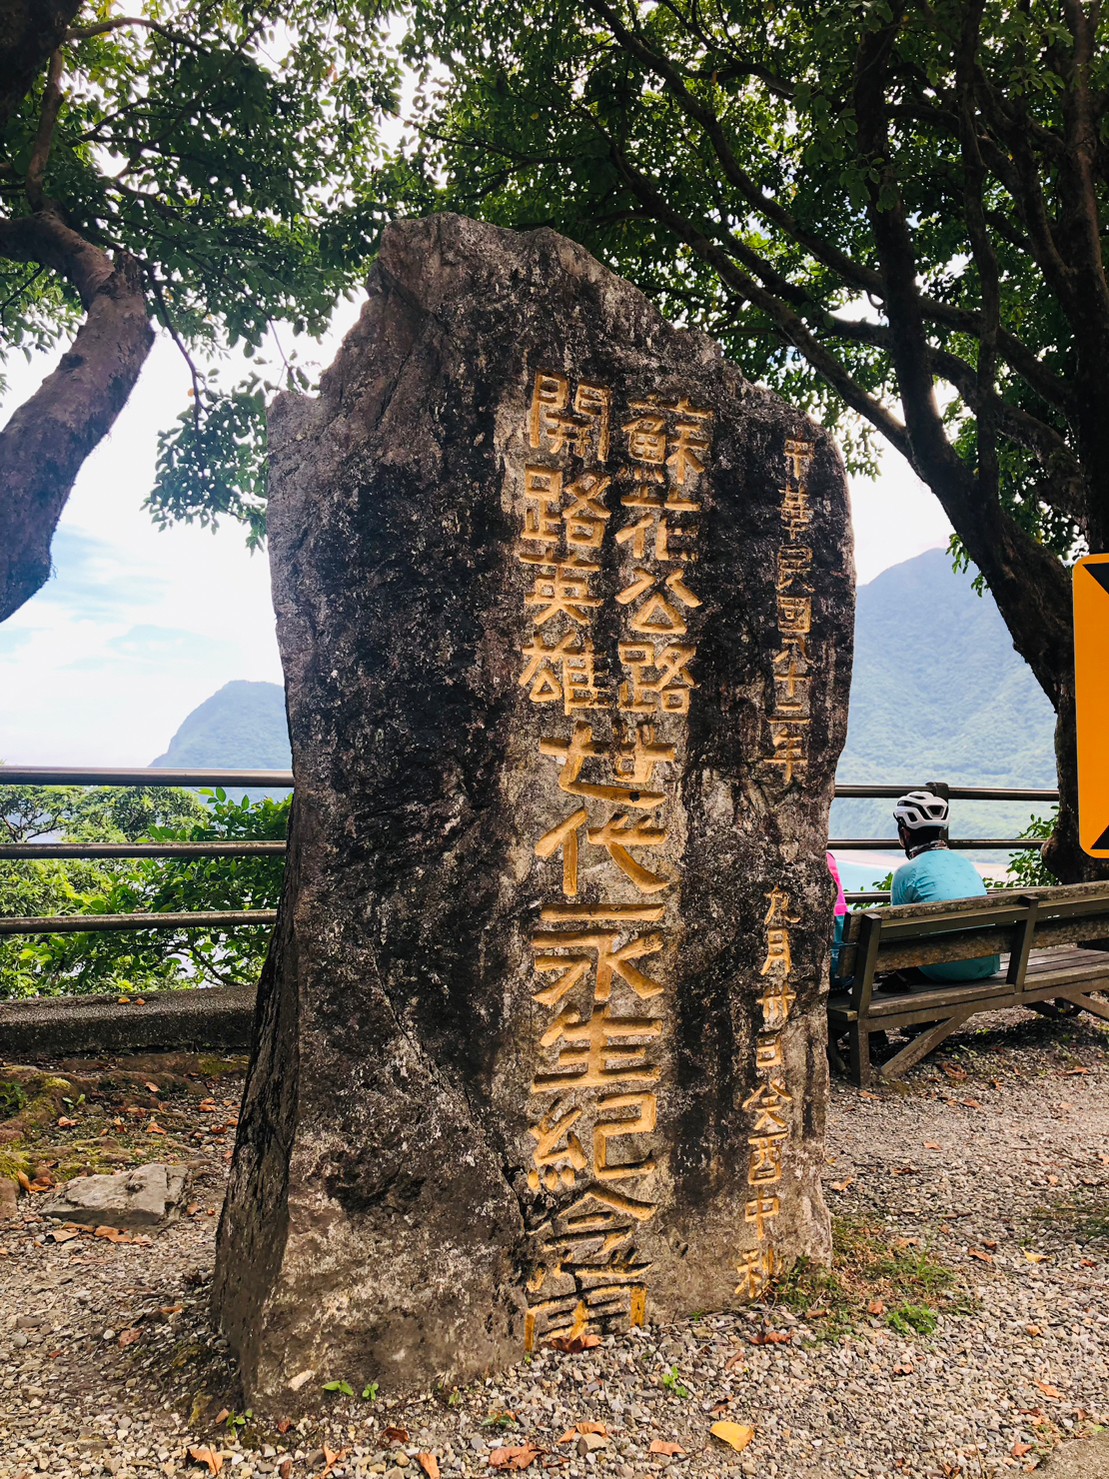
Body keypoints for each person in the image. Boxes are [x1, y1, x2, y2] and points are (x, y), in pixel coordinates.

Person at [889, 788, 1001, 983]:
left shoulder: (906, 873)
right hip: (987, 963)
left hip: (945, 970)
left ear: (905, 833)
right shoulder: (964, 863)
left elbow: (896, 936)